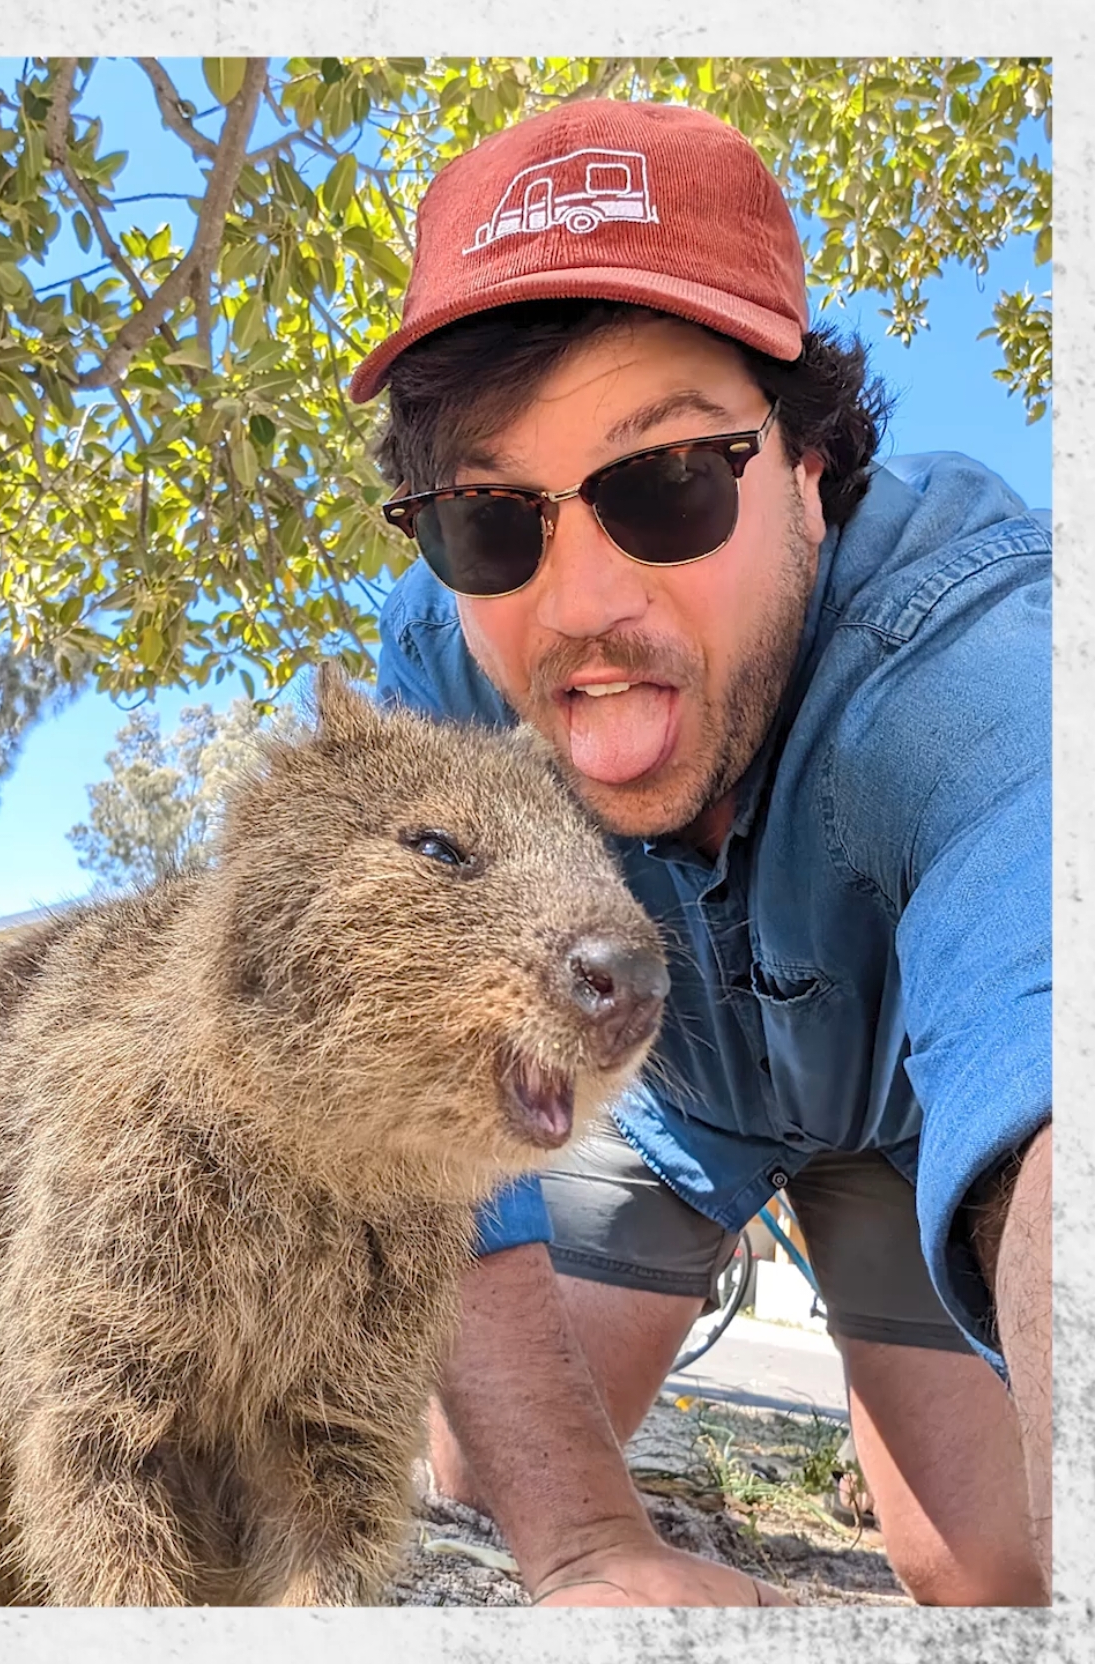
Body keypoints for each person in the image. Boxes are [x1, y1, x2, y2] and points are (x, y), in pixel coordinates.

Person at [347, 99, 1051, 1608]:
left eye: (664, 479)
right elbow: (413, 1083)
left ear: (808, 462)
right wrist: (588, 1544)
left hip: (907, 1113)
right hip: (660, 1095)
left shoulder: (973, 658)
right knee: (482, 1473)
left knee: (988, 1564)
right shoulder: (440, 680)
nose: (581, 604)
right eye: (489, 518)